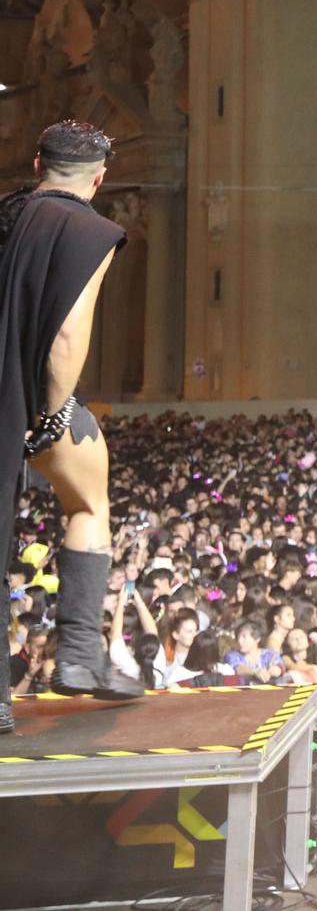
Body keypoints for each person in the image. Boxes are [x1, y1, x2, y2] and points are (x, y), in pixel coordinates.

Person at [0, 122, 137, 731]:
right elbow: (66, 333)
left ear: (37, 165)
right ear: (100, 176)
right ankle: (79, 658)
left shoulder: (5, 215)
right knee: (88, 504)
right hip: (30, 400)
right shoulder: (93, 232)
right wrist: (49, 414)